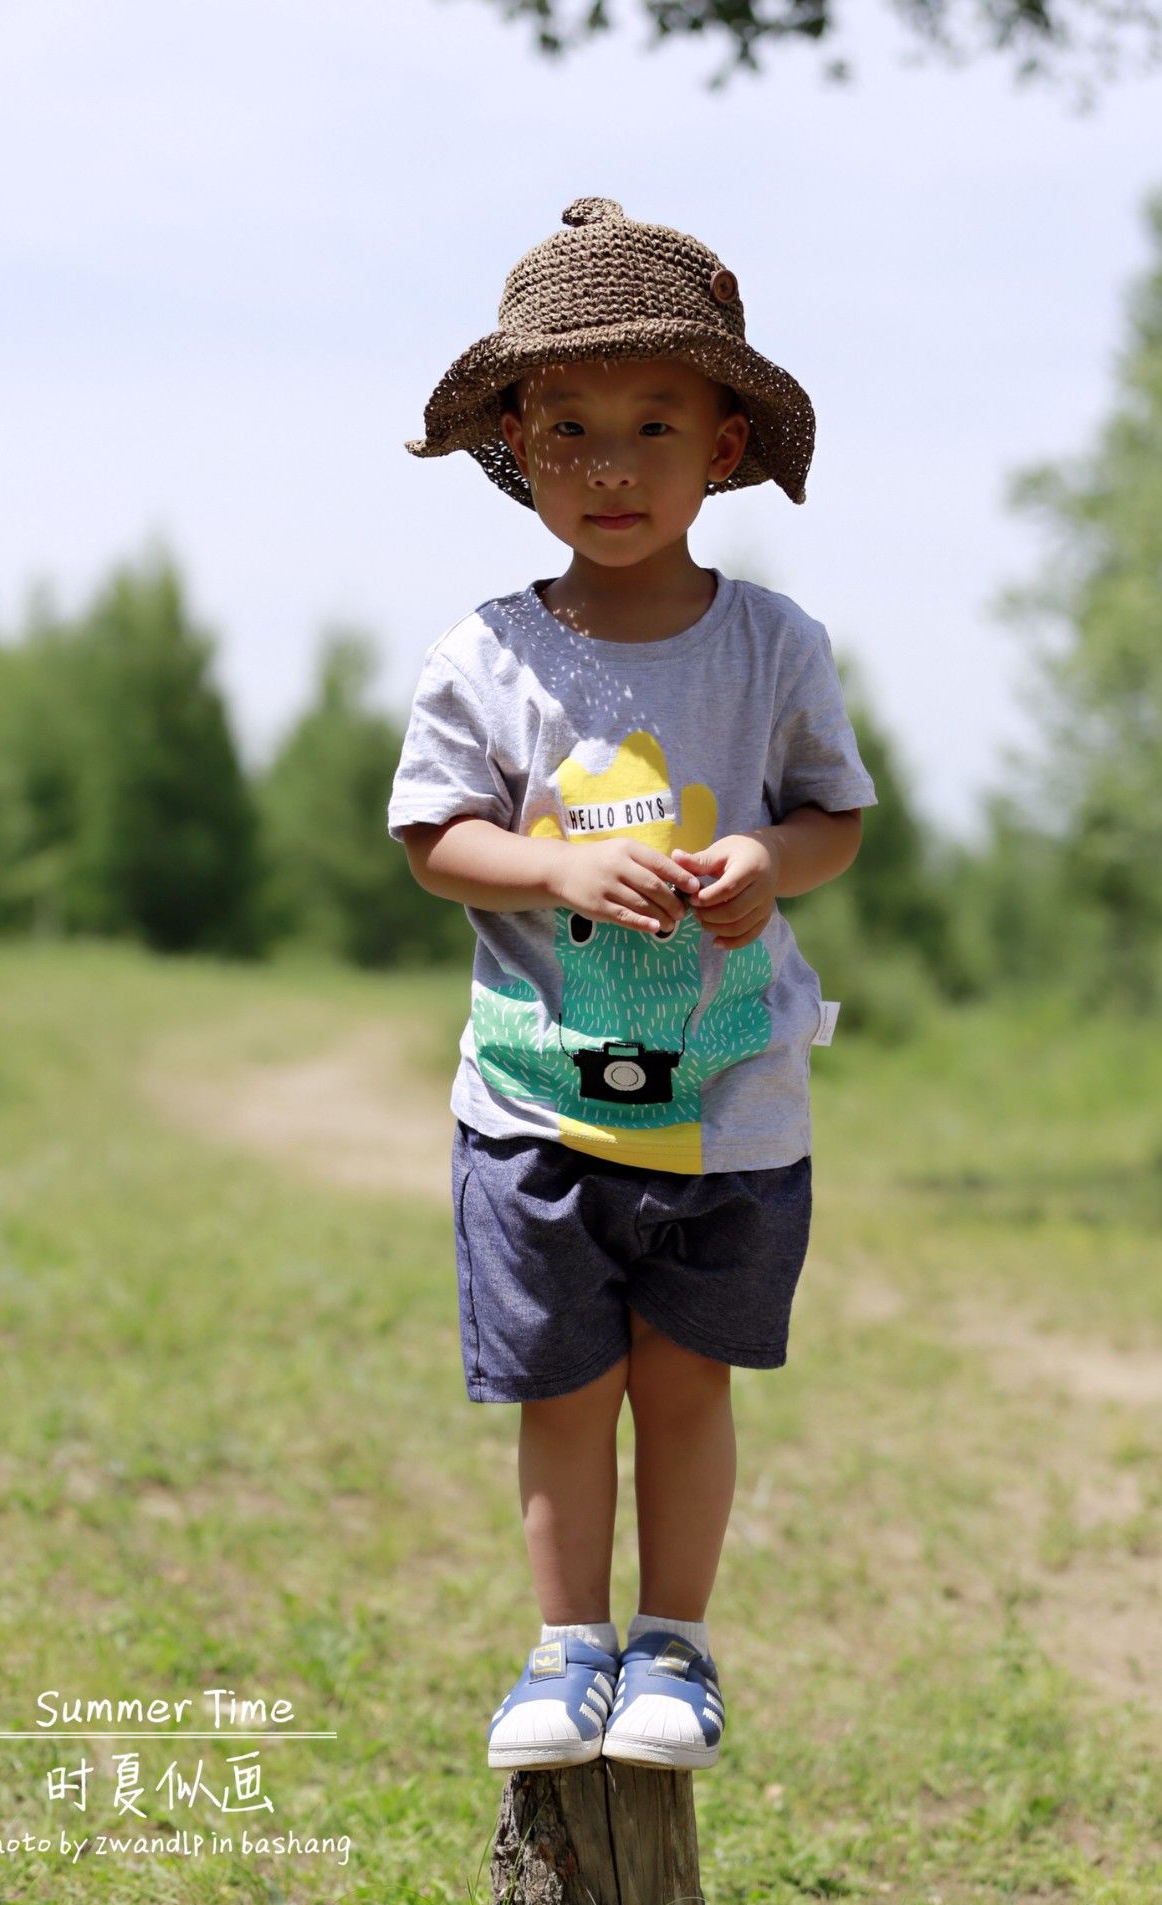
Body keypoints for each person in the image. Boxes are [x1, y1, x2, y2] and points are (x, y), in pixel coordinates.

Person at [387, 197, 878, 1773]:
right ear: (519, 446)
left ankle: (674, 1641)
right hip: (539, 1094)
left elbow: (833, 818)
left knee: (680, 1379)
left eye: (653, 425)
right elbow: (432, 838)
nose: (611, 465)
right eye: (572, 429)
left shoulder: (771, 644)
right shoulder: (484, 654)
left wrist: (764, 867)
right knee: (564, 1382)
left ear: (724, 444)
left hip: (732, 1098)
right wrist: (550, 867)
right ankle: (562, 1650)